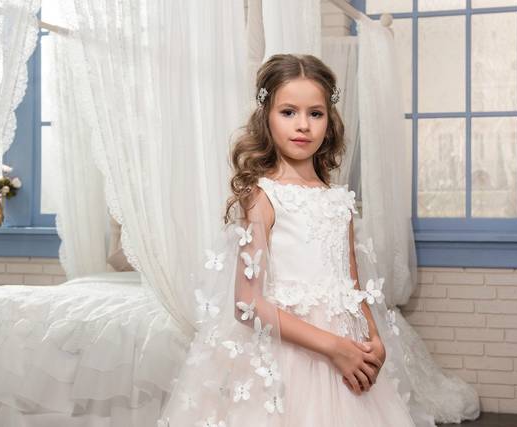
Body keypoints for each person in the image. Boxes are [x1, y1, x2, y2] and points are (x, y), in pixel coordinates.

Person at [158, 54, 416, 427]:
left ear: (329, 122)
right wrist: (334, 348)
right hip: (290, 358)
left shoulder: (337, 199)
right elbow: (247, 303)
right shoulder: (263, 197)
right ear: (267, 117)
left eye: (315, 113)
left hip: (347, 352)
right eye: (288, 112)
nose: (303, 125)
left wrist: (373, 340)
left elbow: (353, 285)